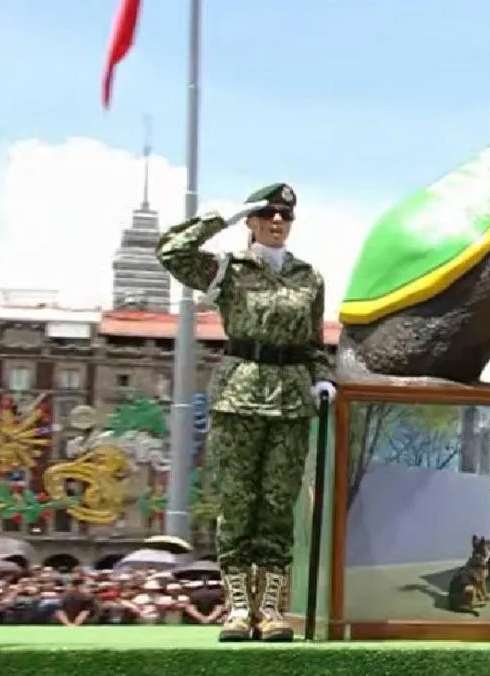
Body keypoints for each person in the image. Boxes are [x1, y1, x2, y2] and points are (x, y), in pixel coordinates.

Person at [157, 182, 336, 643]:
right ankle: (238, 608)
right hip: (238, 394)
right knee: (237, 502)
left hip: (290, 399)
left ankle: (270, 610)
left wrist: (322, 377)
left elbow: (313, 342)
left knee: (278, 505)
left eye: (285, 216)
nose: (277, 222)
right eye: (268, 214)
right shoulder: (228, 269)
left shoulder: (309, 277)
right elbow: (172, 253)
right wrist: (221, 219)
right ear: (252, 220)